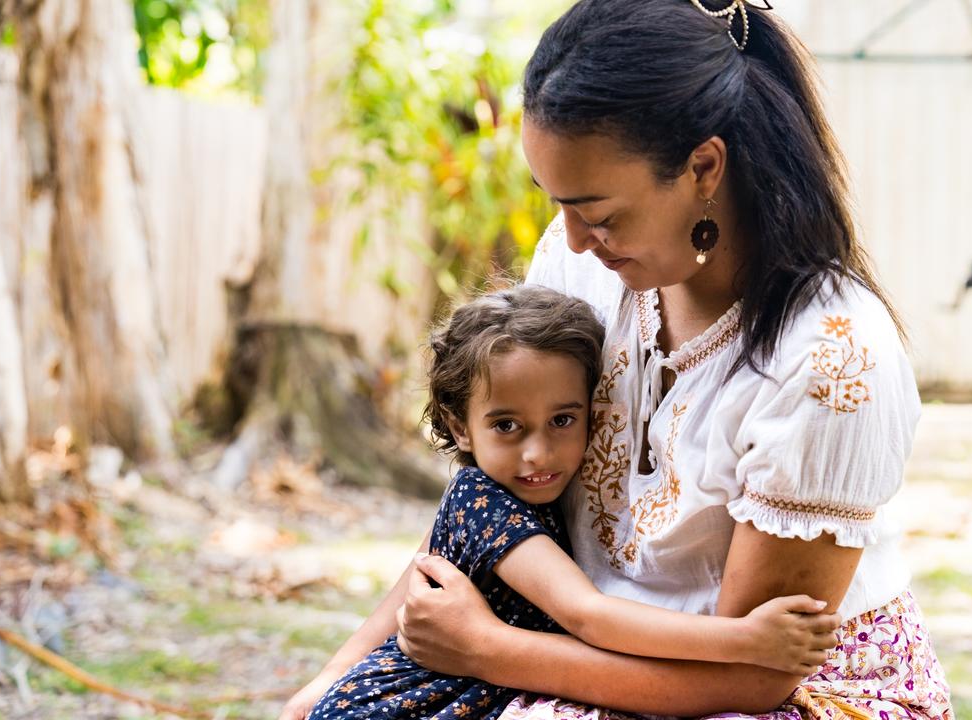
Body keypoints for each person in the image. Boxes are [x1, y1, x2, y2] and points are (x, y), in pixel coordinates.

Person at [386, 1, 955, 718]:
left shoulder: (833, 359)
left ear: (703, 167)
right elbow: (480, 520)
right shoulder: (578, 270)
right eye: (555, 202)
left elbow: (753, 677)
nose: (573, 238)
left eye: (599, 211)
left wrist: (490, 650)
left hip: (775, 689)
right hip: (576, 646)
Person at [287, 285, 842, 720]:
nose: (538, 452)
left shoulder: (538, 488)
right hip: (405, 704)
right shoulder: (484, 501)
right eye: (507, 426)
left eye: (562, 419)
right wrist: (747, 640)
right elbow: (587, 614)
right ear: (459, 427)